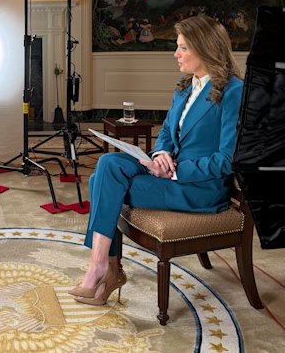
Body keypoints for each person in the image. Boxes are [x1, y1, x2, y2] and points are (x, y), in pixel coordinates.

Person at [69, 15, 244, 305]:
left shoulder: (234, 91)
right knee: (108, 165)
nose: (176, 54)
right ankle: (102, 267)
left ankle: (103, 268)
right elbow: (166, 132)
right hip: (169, 169)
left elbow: (228, 160)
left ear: (205, 48)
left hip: (199, 188)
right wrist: (161, 154)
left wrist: (173, 172)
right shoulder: (186, 86)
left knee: (101, 180)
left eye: (183, 48)